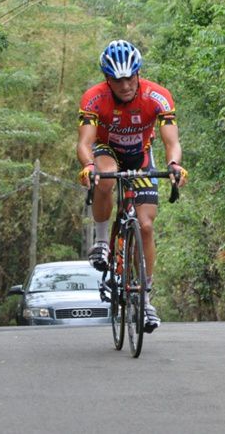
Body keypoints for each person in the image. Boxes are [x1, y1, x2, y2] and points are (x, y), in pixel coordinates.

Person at [77, 39, 187, 333]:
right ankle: (102, 242)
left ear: (138, 73)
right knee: (106, 175)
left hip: (141, 155)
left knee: (146, 225)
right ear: (107, 80)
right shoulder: (94, 98)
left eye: (129, 78)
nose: (125, 85)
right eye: (117, 80)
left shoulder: (158, 97)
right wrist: (88, 166)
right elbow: (84, 143)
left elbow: (171, 142)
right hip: (107, 149)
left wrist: (174, 165)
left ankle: (146, 300)